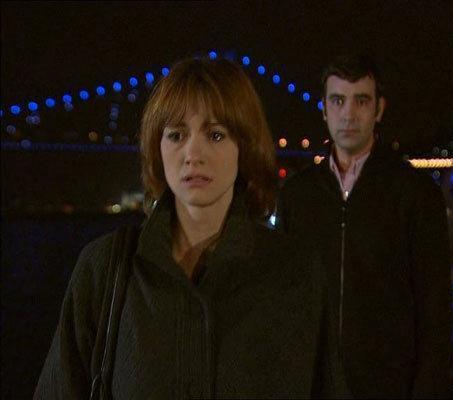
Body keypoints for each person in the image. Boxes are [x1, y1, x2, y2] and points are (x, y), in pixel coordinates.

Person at [35, 57, 348, 399]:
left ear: (244, 147)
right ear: (157, 147)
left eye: (215, 134)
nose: (193, 153)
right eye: (176, 135)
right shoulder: (103, 271)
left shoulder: (295, 273)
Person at [277, 54, 453, 398]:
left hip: (389, 387)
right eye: (337, 100)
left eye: (361, 101)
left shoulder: (415, 193)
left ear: (379, 109)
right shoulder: (298, 196)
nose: (348, 114)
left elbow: (436, 312)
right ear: (324, 109)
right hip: (313, 387)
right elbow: (283, 301)